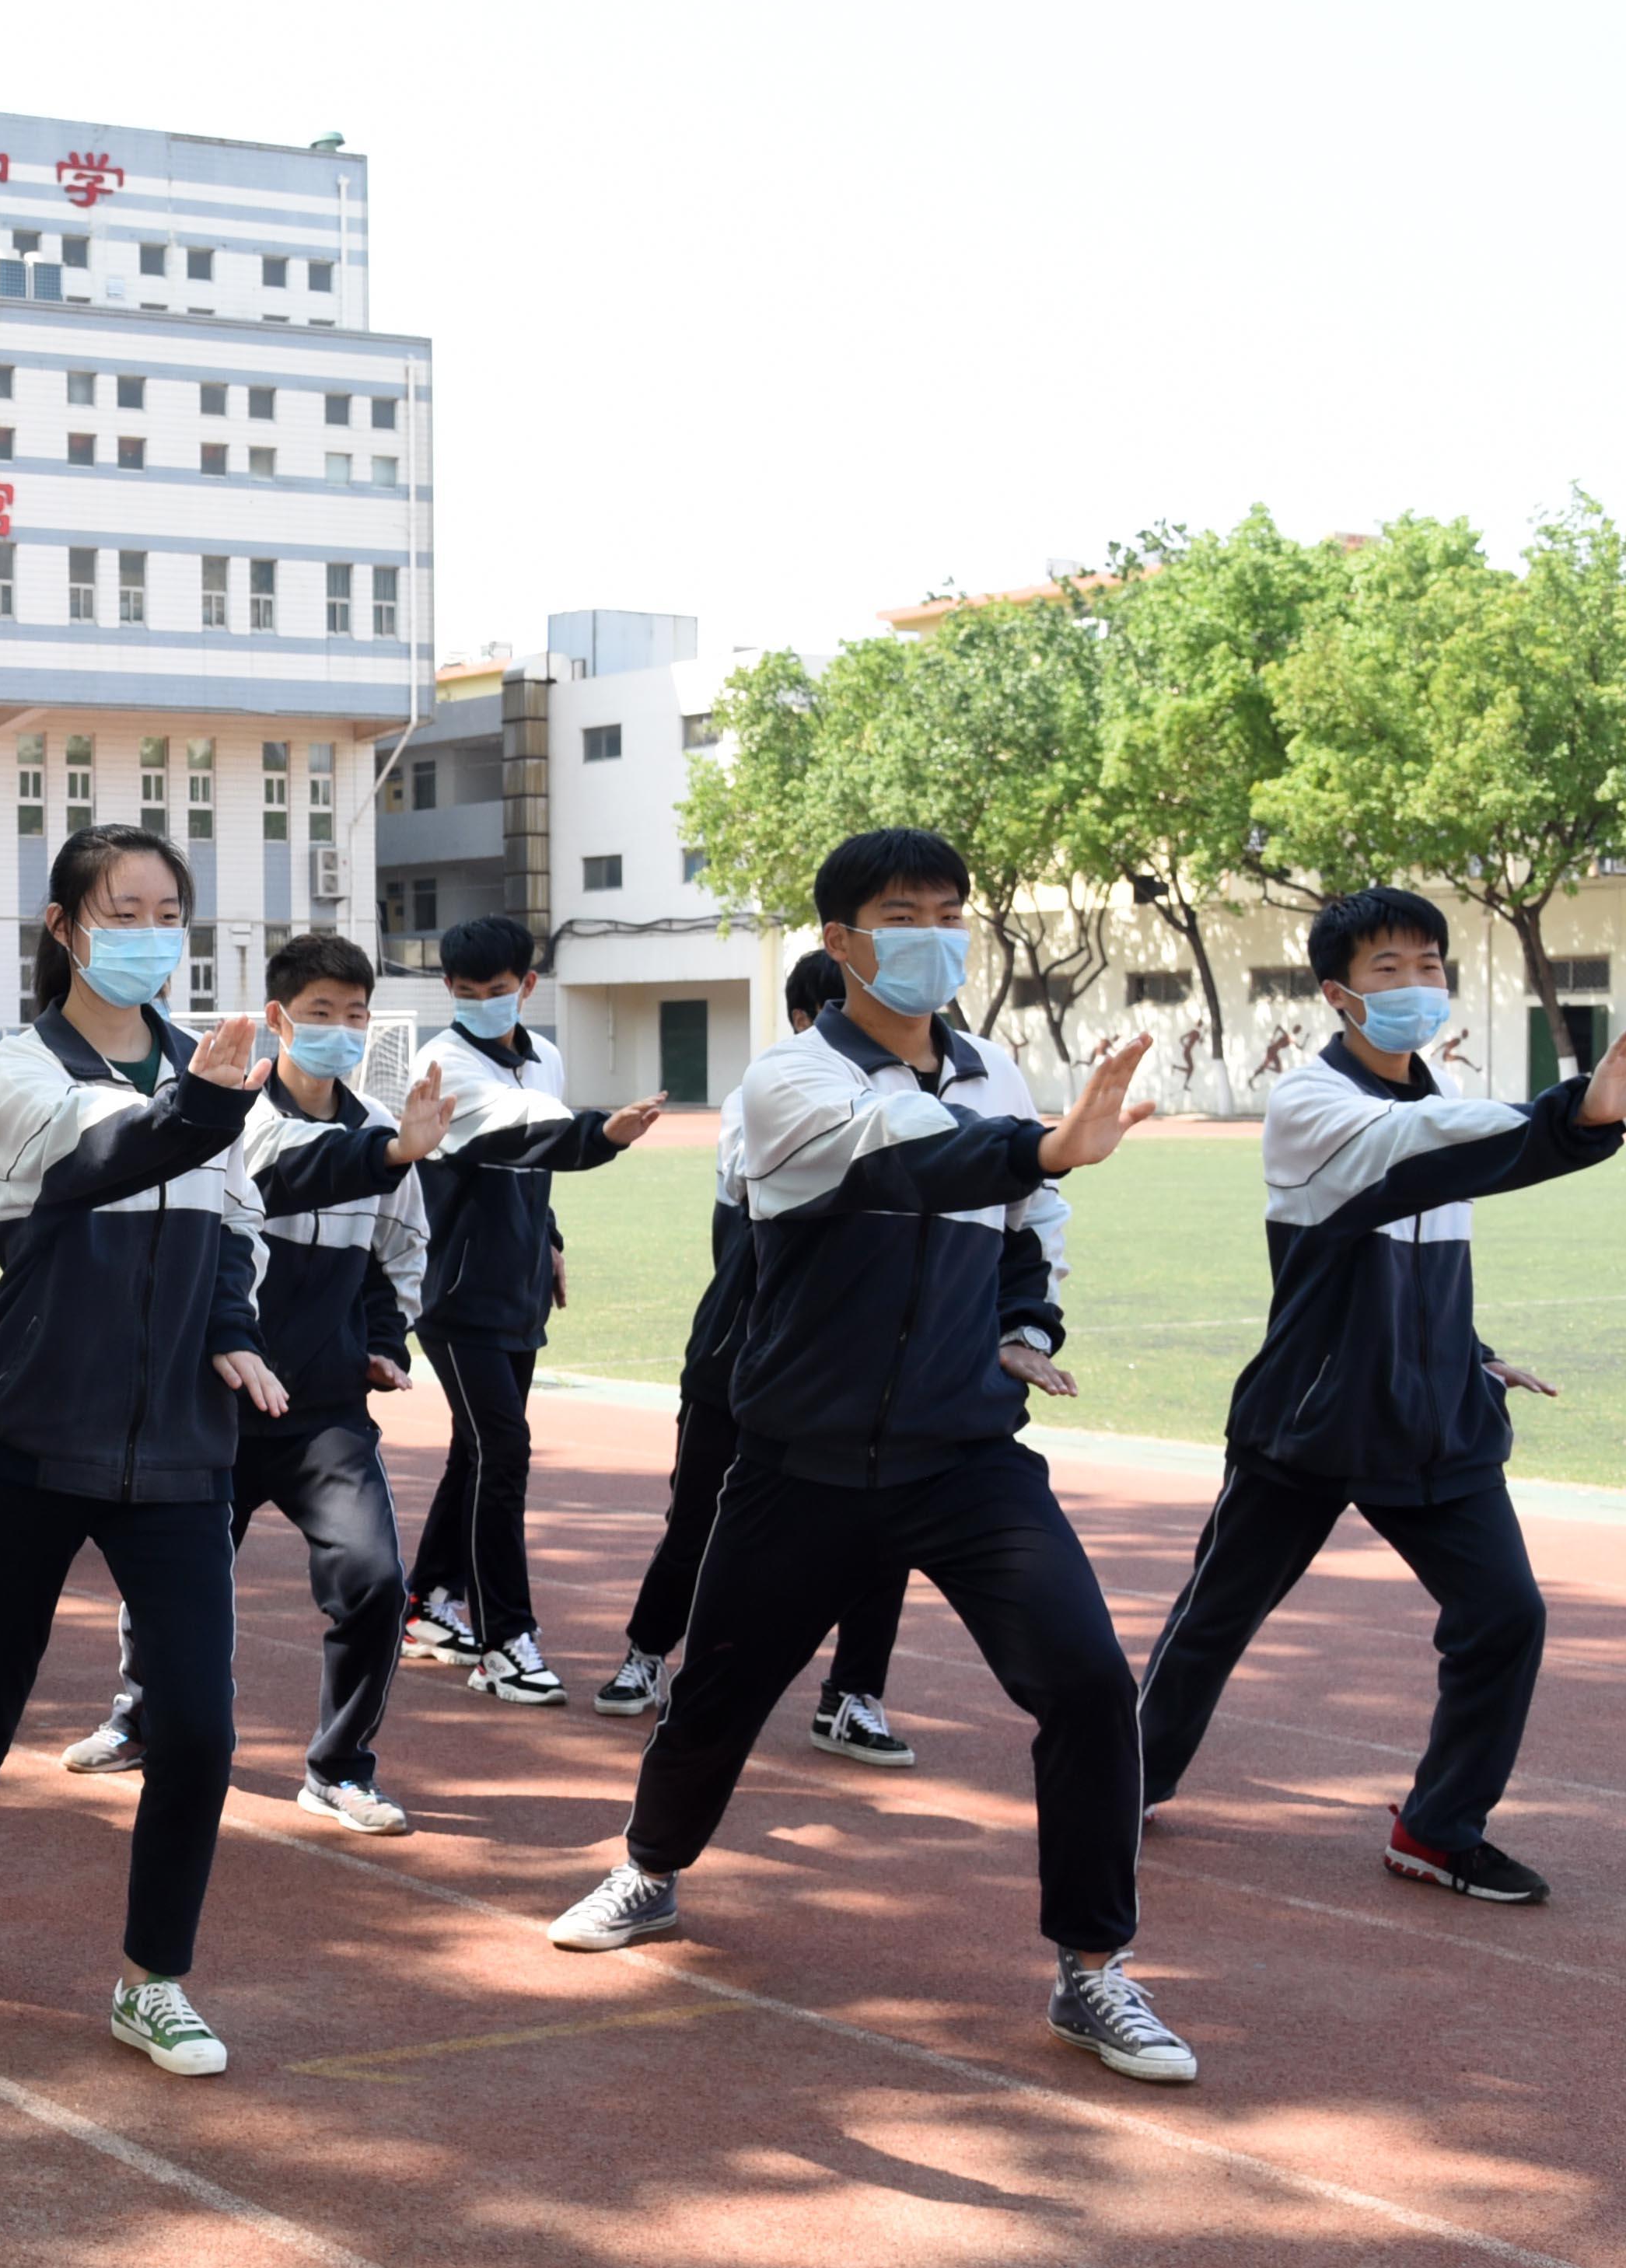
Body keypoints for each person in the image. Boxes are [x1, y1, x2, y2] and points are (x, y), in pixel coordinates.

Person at [546, 830, 1201, 2085]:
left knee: (1083, 1681)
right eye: (902, 911)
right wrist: (1041, 1146)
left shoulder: (995, 1070)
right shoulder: (785, 1082)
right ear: (839, 939)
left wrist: (1025, 1318)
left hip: (965, 1455)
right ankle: (647, 1870)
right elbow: (905, 1156)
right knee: (720, 1690)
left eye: (950, 910)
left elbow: (1023, 1217)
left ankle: (1091, 1968)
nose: (932, 933)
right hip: (801, 1459)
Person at [1138, 890, 1626, 1903]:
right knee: (1218, 1615)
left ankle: (1438, 1828)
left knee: (1505, 1615)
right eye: (1391, 970)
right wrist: (1576, 1112)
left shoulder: (1445, 1094)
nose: (1418, 985)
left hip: (1435, 1416)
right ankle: (1127, 1779)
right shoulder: (1311, 1105)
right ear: (1338, 993)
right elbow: (1411, 1161)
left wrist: (1469, 1346)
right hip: (1313, 1417)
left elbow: (1422, 1244)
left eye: (1431, 966)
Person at [0, 830, 273, 2080]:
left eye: (168, 909)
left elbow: (234, 1224)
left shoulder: (215, 1068)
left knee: (198, 1729)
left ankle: (154, 1982)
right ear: (66, 925)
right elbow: (102, 1156)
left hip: (182, 1454)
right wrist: (207, 1101)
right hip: (33, 1431)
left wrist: (237, 1334)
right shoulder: (24, 1064)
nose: (149, 929)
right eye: (123, 908)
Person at [65, 939, 469, 1826]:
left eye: (356, 1015)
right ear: (278, 1017)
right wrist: (387, 1149)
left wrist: (379, 1339)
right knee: (171, 1586)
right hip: (213, 1400)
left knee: (372, 1579)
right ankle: (138, 1714)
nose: (341, 1030)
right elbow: (285, 1167)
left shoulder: (388, 1137)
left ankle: (339, 1767)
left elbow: (397, 1254)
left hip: (323, 1413)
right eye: (320, 1012)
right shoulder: (235, 1115)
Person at [593, 951, 920, 1761]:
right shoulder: (764, 1092)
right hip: (742, 1352)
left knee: (882, 1532)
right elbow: (765, 1195)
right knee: (701, 1518)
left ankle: (851, 1695)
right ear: (810, 1019)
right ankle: (647, 1652)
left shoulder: (923, 1089)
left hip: (869, 1368)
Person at [397, 914, 670, 1705]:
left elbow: (529, 1164)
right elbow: (521, 1131)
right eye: (467, 991)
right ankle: (502, 1639)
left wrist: (547, 1237)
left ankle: (426, 1603)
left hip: (516, 1290)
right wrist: (602, 1133)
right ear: (447, 989)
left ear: (527, 984)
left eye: (499, 989)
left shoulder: (543, 1054)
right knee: (503, 1453)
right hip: (453, 1293)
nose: (484, 1001)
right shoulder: (440, 1063)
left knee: (476, 1452)